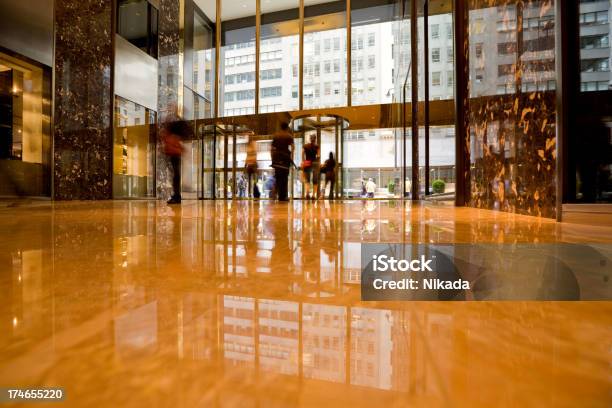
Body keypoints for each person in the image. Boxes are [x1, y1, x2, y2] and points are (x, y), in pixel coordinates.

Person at [162, 120, 191, 204]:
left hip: (174, 156)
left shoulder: (171, 137)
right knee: (175, 176)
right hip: (175, 156)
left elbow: (173, 147)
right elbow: (180, 147)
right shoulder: (173, 137)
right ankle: (176, 196)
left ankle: (176, 196)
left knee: (175, 177)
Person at [271, 122, 294, 201]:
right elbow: (293, 148)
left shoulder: (276, 136)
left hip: (276, 158)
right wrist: (291, 159)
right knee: (284, 178)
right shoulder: (289, 136)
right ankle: (283, 196)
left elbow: (272, 149)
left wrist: (272, 159)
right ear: (287, 127)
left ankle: (275, 193)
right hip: (285, 158)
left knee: (278, 177)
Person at [302, 134, 320, 200]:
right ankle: (314, 196)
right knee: (315, 180)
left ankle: (307, 194)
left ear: (310, 139)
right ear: (315, 139)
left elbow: (302, 153)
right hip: (315, 163)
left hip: (307, 162)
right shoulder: (317, 146)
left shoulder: (305, 146)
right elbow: (318, 155)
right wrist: (317, 161)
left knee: (307, 180)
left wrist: (303, 161)